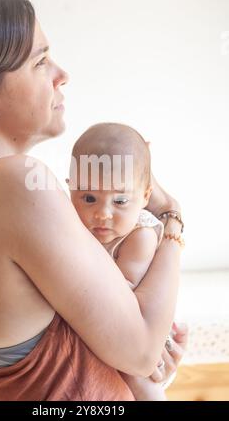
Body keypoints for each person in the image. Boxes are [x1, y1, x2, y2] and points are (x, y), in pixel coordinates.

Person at [0, 0, 187, 401]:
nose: (61, 74)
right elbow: (141, 350)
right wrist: (172, 218)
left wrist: (141, 364)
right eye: (40, 62)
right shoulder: (13, 183)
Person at [66, 122, 184, 400]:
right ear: (70, 189)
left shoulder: (139, 234)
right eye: (89, 197)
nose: (102, 213)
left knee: (143, 388)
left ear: (144, 196)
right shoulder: (71, 223)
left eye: (119, 201)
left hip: (137, 329)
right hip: (105, 330)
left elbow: (119, 292)